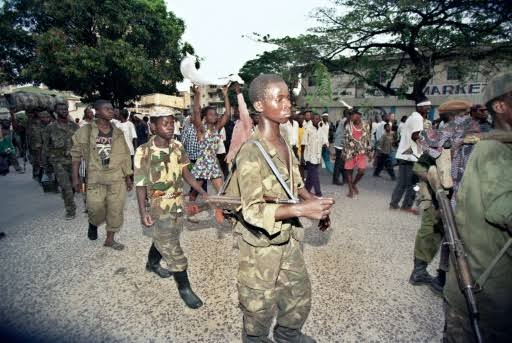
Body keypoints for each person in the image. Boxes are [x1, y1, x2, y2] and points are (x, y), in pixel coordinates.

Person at [235, 74, 334, 342]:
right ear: (258, 105)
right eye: (278, 98)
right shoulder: (250, 152)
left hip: (288, 238)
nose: (287, 104)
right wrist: (302, 211)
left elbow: (295, 185)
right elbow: (252, 210)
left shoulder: (284, 141)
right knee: (259, 304)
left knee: (298, 292)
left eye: (287, 97)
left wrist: (313, 202)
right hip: (261, 246)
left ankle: (288, 334)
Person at [443, 72, 512, 343]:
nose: (468, 114)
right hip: (489, 292)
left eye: (469, 110)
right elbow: (430, 151)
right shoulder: (487, 145)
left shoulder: (480, 135)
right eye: (463, 111)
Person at [134, 112, 207, 309]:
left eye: (172, 123)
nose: (170, 127)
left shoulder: (177, 146)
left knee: (166, 236)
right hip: (159, 205)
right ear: (153, 127)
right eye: (165, 124)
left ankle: (152, 263)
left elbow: (186, 173)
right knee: (174, 250)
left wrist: (201, 191)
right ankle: (184, 288)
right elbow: (140, 184)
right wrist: (143, 212)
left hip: (177, 203)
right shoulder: (143, 151)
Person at [71, 100, 132, 250]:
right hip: (95, 177)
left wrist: (128, 177)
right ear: (97, 112)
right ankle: (93, 222)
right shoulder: (84, 132)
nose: (111, 111)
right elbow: (75, 156)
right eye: (107, 109)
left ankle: (110, 239)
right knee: (95, 208)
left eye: (112, 108)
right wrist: (75, 177)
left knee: (115, 209)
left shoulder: (118, 132)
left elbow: (124, 155)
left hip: (116, 176)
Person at [189, 84, 231, 205]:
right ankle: (188, 210)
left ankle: (227, 213)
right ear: (205, 117)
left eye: (215, 114)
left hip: (212, 164)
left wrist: (225, 94)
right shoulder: (201, 129)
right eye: (211, 114)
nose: (214, 116)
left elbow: (227, 114)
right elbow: (196, 112)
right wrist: (197, 94)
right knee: (194, 193)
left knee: (221, 191)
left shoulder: (217, 128)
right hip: (202, 163)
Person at [389, 99, 430, 213]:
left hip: (405, 154)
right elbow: (415, 136)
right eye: (426, 107)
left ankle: (394, 204)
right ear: (419, 108)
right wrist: (427, 142)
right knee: (413, 183)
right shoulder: (417, 118)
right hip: (411, 155)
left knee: (402, 182)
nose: (429, 109)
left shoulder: (412, 117)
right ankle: (406, 206)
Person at [41, 103, 78, 219]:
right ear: (56, 112)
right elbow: (45, 147)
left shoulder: (74, 126)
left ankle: (85, 204)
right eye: (61, 109)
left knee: (78, 185)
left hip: (74, 161)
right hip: (59, 163)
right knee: (65, 187)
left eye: (65, 109)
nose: (64, 111)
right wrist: (46, 165)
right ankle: (70, 210)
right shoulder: (50, 128)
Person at [343, 110, 372, 198]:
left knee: (361, 171)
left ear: (359, 115)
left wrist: (369, 152)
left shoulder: (366, 125)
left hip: (361, 152)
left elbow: (367, 139)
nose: (351, 117)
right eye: (350, 115)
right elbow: (346, 138)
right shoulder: (348, 125)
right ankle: (350, 190)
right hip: (350, 151)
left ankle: (353, 184)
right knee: (349, 171)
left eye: (353, 115)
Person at [225, 83, 253, 165]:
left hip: (242, 158)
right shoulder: (237, 123)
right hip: (233, 157)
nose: (236, 112)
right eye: (235, 110)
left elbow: (243, 110)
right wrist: (229, 154)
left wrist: (238, 93)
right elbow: (234, 143)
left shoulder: (246, 122)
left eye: (238, 110)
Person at [301, 112, 326, 196]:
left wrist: (325, 144)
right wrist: (302, 157)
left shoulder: (321, 128)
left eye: (319, 119)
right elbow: (304, 143)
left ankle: (306, 190)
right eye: (316, 119)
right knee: (315, 174)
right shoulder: (308, 129)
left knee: (310, 176)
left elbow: (324, 140)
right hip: (309, 156)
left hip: (318, 155)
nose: (317, 120)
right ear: (312, 120)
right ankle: (318, 193)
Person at [332, 110, 348, 185]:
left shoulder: (344, 120)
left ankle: (344, 178)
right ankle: (336, 180)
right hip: (340, 145)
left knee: (342, 162)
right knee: (339, 163)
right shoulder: (345, 121)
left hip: (341, 144)